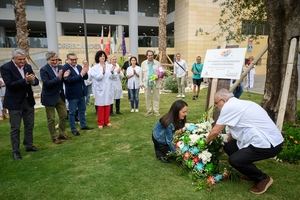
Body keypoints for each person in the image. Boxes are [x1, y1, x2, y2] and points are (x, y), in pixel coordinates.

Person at [206, 88, 284, 194]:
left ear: (223, 100)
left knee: (235, 160)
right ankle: (249, 172)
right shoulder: (240, 104)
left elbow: (215, 131)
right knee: (229, 147)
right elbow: (232, 134)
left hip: (269, 143)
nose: (216, 106)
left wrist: (203, 144)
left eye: (216, 103)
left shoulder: (229, 107)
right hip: (268, 139)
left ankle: (263, 178)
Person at [0, 48, 39, 160]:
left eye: (23, 59)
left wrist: (32, 80)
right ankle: (15, 151)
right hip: (14, 103)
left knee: (29, 125)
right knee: (15, 128)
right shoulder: (6, 67)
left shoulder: (27, 66)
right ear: (13, 58)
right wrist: (25, 80)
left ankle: (29, 145)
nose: (22, 61)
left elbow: (35, 81)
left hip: (28, 101)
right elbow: (10, 85)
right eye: (20, 59)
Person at [40, 51, 68, 144]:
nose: (55, 61)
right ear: (48, 60)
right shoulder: (44, 69)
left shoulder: (61, 67)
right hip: (49, 97)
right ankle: (54, 137)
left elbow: (63, 80)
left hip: (60, 96)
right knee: (51, 119)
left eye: (56, 59)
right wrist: (58, 77)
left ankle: (62, 133)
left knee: (64, 115)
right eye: (53, 60)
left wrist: (65, 77)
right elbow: (47, 83)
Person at [63, 53, 92, 136]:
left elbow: (85, 77)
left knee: (82, 110)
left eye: (75, 59)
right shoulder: (65, 68)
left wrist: (85, 71)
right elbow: (68, 80)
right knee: (72, 113)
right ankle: (73, 129)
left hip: (81, 93)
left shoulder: (79, 66)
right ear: (68, 60)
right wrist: (81, 75)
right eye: (72, 59)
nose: (74, 61)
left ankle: (83, 125)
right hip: (72, 94)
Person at [89, 50, 113, 129]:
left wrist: (114, 72)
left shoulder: (109, 66)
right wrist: (102, 71)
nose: (102, 57)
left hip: (108, 88)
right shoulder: (94, 68)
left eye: (103, 56)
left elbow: (113, 76)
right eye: (101, 56)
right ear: (98, 58)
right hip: (99, 89)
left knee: (107, 105)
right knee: (101, 106)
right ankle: (100, 122)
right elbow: (98, 78)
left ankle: (107, 121)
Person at [140, 50, 162, 117]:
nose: (150, 56)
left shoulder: (158, 63)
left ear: (153, 55)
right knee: (147, 97)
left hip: (156, 82)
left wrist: (158, 76)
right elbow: (141, 74)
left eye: (151, 55)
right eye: (149, 55)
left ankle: (156, 111)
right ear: (147, 56)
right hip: (147, 83)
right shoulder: (143, 63)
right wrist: (141, 82)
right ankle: (149, 111)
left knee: (156, 97)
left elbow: (161, 72)